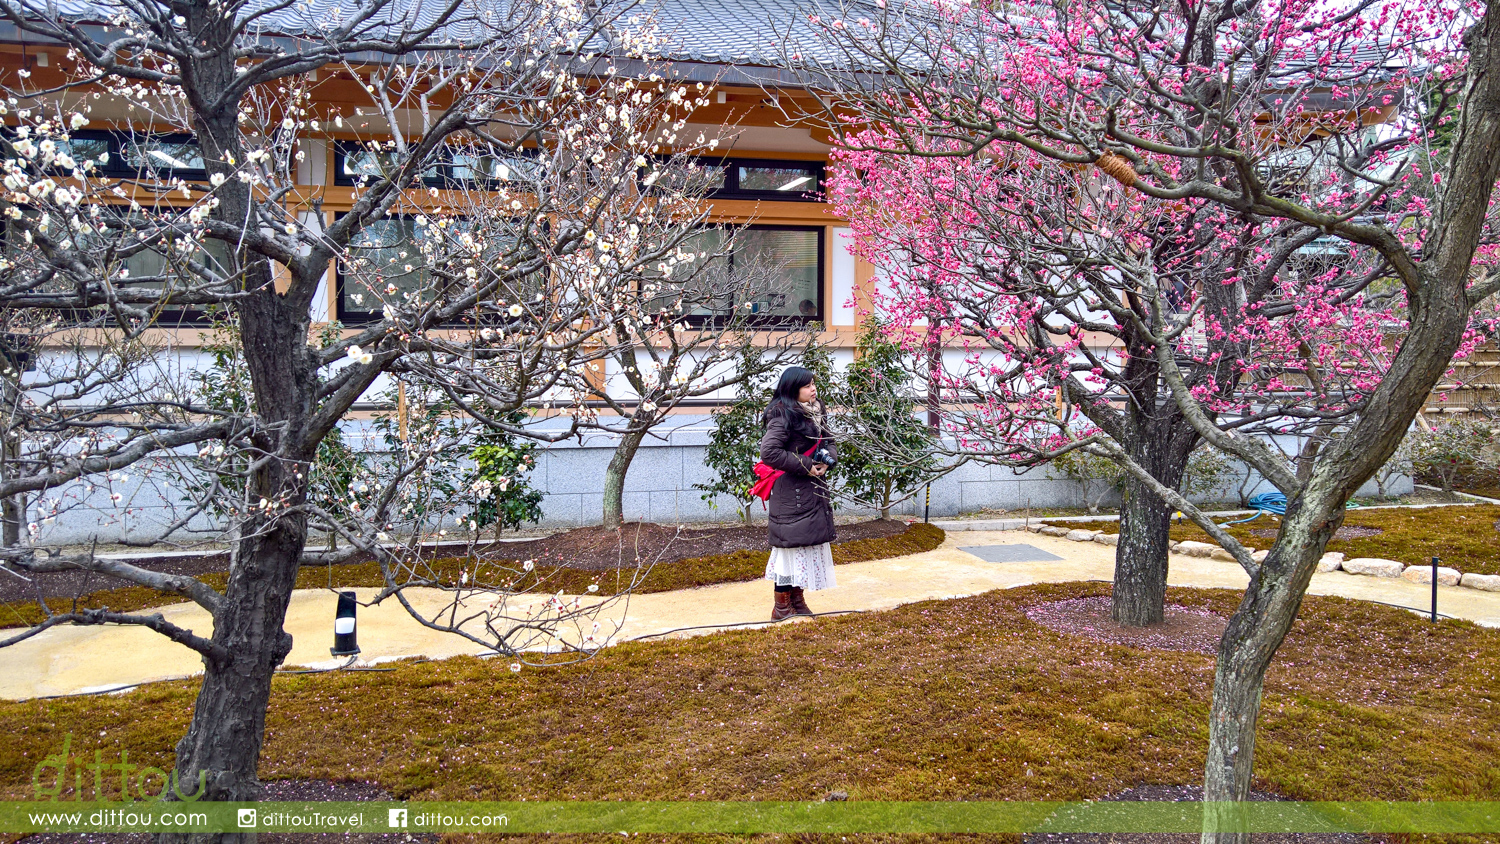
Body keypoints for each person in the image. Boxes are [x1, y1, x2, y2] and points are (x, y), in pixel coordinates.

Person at [758, 365, 837, 620]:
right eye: (807, 385)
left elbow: (829, 440)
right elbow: (769, 452)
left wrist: (828, 461)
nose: (813, 389)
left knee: (803, 547)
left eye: (814, 384)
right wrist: (806, 465)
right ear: (793, 389)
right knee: (788, 551)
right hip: (791, 491)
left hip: (811, 489)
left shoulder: (816, 409)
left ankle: (797, 602)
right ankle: (781, 608)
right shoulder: (782, 414)